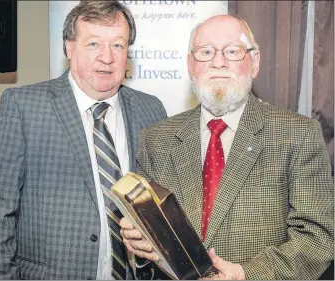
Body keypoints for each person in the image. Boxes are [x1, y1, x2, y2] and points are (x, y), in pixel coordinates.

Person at [119, 15, 334, 280]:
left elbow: (318, 236)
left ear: (254, 62)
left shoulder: (297, 134)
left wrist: (248, 275)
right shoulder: (156, 139)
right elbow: (149, 240)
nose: (218, 62)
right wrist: (138, 247)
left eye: (232, 51)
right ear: (190, 65)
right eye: (205, 52)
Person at [0, 0, 167, 279]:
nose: (107, 57)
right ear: (69, 47)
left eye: (117, 45)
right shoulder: (23, 107)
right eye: (93, 44)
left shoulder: (151, 109)